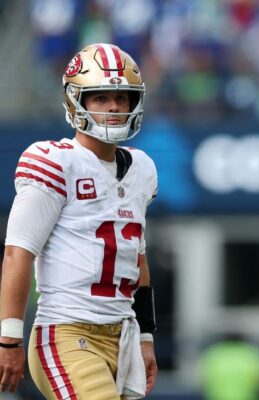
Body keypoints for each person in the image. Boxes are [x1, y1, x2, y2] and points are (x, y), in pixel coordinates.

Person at [0, 43, 158, 399]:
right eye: (100, 97)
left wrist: (146, 336)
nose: (114, 106)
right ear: (76, 101)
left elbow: (138, 260)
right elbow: (17, 253)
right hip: (67, 333)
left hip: (122, 335)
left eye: (121, 97)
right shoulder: (55, 162)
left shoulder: (143, 169)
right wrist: (9, 338)